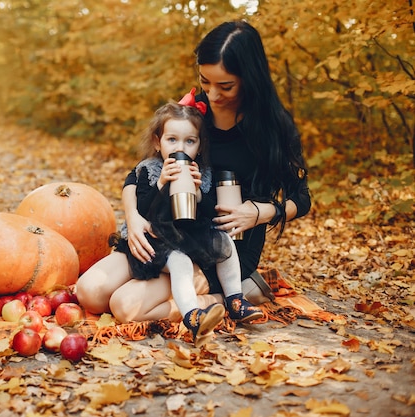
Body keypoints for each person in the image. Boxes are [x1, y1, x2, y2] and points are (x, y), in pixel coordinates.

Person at [76, 20, 311, 324]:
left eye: (225, 86)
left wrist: (259, 212)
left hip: (221, 246)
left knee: (125, 306)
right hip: (167, 231)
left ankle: (234, 294)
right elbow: (141, 173)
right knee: (90, 293)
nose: (212, 95)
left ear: (250, 78)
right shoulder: (193, 112)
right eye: (205, 82)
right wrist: (133, 218)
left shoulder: (272, 128)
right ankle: (214, 292)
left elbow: (301, 199)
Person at [110, 101, 264, 346]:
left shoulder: (203, 173)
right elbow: (142, 211)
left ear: (199, 146)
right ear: (157, 142)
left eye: (189, 141)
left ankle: (236, 298)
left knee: (225, 244)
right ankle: (192, 314)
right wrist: (161, 184)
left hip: (191, 235)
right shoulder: (148, 170)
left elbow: (211, 212)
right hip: (161, 239)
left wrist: (199, 193)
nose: (179, 147)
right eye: (172, 140)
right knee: (180, 263)